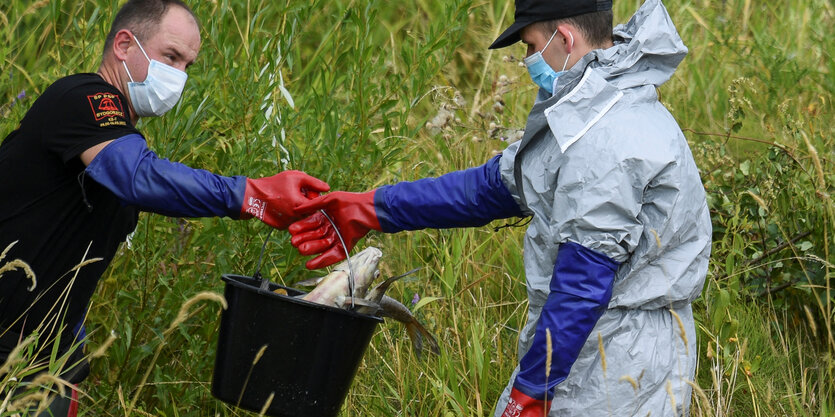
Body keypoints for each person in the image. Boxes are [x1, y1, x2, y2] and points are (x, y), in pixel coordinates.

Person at [288, 0, 711, 415]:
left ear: (564, 37)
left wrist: (530, 392)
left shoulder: (608, 138)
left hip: (616, 368)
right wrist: (369, 208)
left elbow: (584, 284)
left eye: (529, 46)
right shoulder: (592, 108)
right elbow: (490, 188)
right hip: (579, 349)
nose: (527, 61)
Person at [0, 0, 328, 415]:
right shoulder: (81, 98)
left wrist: (70, 355)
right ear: (124, 44)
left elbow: (74, 261)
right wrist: (250, 194)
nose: (178, 76)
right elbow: (139, 177)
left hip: (45, 361)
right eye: (170, 56)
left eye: (188, 65)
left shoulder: (117, 136)